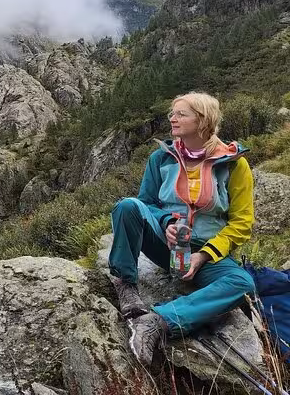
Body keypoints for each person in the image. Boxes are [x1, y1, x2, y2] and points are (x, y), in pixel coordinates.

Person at [108, 91, 256, 366]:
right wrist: (165, 224)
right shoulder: (161, 158)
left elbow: (242, 223)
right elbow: (146, 203)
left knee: (242, 282)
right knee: (127, 206)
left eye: (181, 114)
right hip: (165, 245)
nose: (172, 119)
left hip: (206, 254)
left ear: (202, 120)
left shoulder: (235, 164)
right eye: (172, 114)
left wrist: (205, 255)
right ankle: (126, 283)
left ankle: (159, 321)